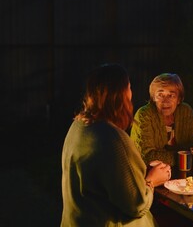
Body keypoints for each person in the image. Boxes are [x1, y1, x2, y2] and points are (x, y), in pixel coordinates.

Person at [61, 64, 171, 227]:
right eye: (129, 87)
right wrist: (152, 180)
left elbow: (105, 179)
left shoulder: (78, 126)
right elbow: (136, 206)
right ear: (122, 95)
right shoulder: (112, 139)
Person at [130, 73, 193, 167]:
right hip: (149, 174)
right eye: (160, 95)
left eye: (171, 95)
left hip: (182, 173)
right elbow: (147, 157)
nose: (165, 101)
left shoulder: (185, 111)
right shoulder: (144, 114)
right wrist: (185, 156)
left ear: (179, 99)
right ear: (153, 98)